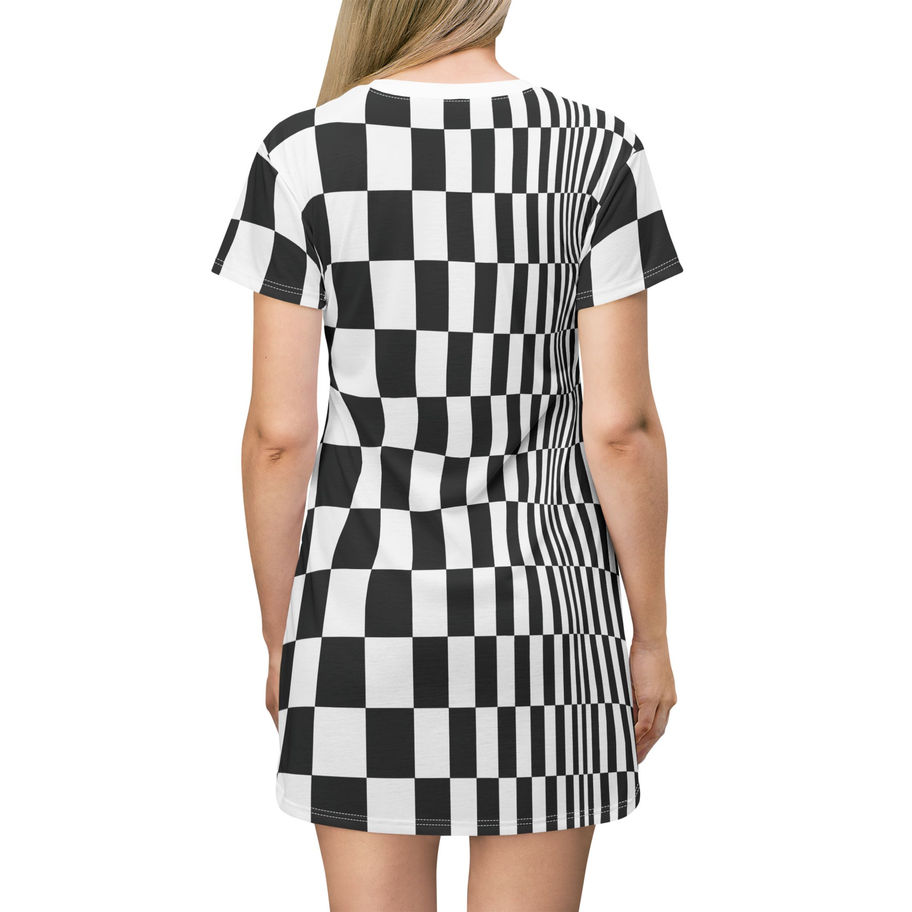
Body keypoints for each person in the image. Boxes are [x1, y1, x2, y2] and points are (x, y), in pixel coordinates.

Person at [210, 1, 682, 908]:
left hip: (362, 614)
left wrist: (282, 637)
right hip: (547, 620)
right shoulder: (598, 151)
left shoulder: (301, 153)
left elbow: (278, 437)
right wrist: (651, 634)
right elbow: (620, 429)